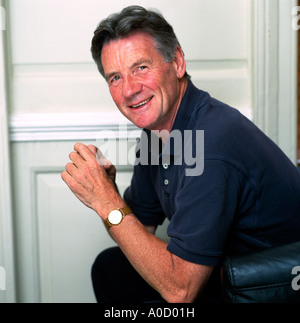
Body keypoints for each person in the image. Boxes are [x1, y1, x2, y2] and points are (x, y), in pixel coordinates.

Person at [61, 5, 300, 303]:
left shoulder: (212, 143)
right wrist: (107, 193)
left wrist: (104, 200)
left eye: (141, 68)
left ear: (177, 62)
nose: (129, 90)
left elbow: (181, 292)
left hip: (267, 288)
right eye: (115, 78)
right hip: (220, 273)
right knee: (111, 268)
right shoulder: (155, 133)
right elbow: (139, 227)